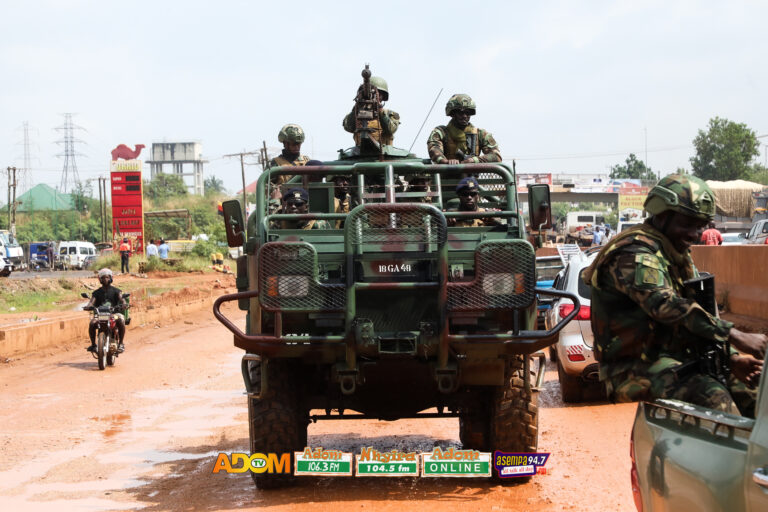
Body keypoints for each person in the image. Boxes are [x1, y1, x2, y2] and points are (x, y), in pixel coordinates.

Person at [584, 174, 766, 416]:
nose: (694, 233)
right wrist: (734, 335)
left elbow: (700, 314)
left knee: (757, 398)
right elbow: (665, 305)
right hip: (633, 369)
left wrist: (731, 359)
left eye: (701, 225)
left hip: (679, 360)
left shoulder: (674, 252)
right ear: (660, 215)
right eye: (686, 223)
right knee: (716, 401)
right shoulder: (635, 253)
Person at [427, 94, 502, 165]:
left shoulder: (481, 134)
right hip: (446, 177)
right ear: (453, 113)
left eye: (468, 113)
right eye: (460, 113)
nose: (465, 116)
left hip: (472, 178)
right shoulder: (440, 132)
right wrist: (446, 162)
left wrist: (474, 160)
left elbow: (496, 156)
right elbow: (434, 150)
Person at [342, 75, 400, 147]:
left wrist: (379, 110)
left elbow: (391, 130)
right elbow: (348, 127)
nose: (374, 96)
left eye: (377, 94)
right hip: (361, 155)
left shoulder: (390, 114)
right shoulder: (357, 113)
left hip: (384, 155)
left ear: (383, 96)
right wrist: (357, 108)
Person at [85, 268, 127, 353]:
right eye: (103, 278)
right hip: (100, 315)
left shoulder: (116, 291)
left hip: (113, 314)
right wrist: (88, 306)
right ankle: (93, 345)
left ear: (111, 278)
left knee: (120, 320)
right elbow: (91, 302)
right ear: (100, 279)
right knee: (92, 323)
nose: (105, 279)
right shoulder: (96, 293)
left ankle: (121, 343)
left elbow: (122, 299)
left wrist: (124, 304)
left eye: (107, 277)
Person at [269, 124, 311, 198]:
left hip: (306, 201)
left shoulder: (307, 161)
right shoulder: (276, 163)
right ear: (285, 143)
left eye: (299, 144)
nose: (297, 147)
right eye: (294, 144)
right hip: (285, 204)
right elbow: (267, 188)